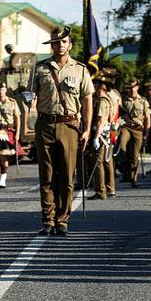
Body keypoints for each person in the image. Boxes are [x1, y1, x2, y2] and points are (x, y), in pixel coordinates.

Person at [31, 25, 94, 236]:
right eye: (56, 43)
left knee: (67, 175)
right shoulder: (39, 68)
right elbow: (31, 96)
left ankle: (62, 220)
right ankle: (47, 220)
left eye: (64, 42)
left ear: (70, 44)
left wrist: (86, 129)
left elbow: (87, 100)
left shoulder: (80, 69)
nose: (60, 46)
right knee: (47, 175)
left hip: (69, 126)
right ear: (52, 45)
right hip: (45, 125)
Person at [0, 82, 21, 189]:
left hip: (8, 130)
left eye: (2, 89)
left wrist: (17, 133)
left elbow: (17, 119)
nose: (0, 91)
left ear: (5, 90)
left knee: (4, 155)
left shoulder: (12, 103)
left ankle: (2, 180)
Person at [118, 78, 150, 188]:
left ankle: (133, 178)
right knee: (122, 145)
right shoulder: (123, 100)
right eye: (130, 87)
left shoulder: (143, 101)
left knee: (134, 156)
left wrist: (146, 133)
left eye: (133, 86)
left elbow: (147, 118)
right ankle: (123, 167)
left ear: (137, 87)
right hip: (126, 127)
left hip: (138, 129)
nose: (131, 89)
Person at [87, 75, 115, 200]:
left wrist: (95, 138)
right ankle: (110, 189)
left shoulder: (102, 101)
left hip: (101, 134)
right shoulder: (105, 99)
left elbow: (101, 121)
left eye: (95, 84)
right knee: (106, 162)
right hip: (105, 134)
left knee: (98, 162)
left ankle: (100, 190)